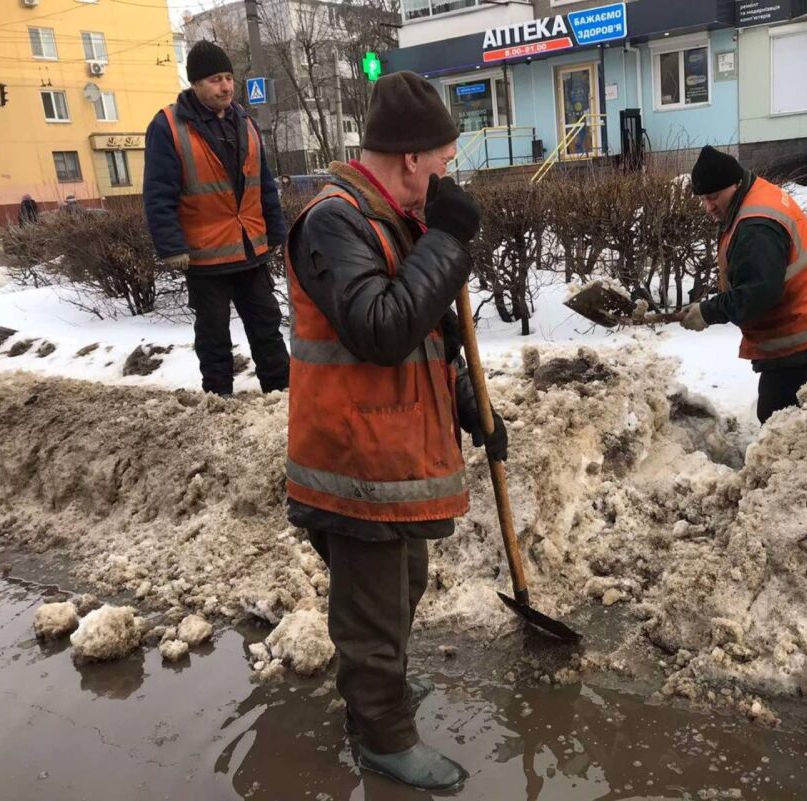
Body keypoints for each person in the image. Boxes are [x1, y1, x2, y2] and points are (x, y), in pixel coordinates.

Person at [284, 71, 506, 792]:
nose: (447, 178)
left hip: (390, 453)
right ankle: (381, 733)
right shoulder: (334, 220)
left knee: (401, 585)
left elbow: (434, 335)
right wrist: (444, 239)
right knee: (373, 609)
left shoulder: (393, 219)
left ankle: (375, 703)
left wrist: (476, 408)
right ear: (410, 157)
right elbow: (380, 327)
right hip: (351, 461)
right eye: (442, 162)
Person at [142, 40, 289, 397]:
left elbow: (263, 184)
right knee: (213, 334)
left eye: (228, 78)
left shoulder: (246, 123)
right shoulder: (168, 126)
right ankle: (218, 400)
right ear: (194, 83)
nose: (225, 86)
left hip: (250, 249)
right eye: (214, 80)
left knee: (266, 326)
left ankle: (281, 395)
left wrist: (277, 232)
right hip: (205, 255)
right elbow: (158, 192)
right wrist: (172, 246)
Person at [679, 146, 807, 423]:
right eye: (702, 199)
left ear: (734, 185)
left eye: (713, 197)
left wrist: (708, 312)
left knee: (776, 419)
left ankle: (795, 465)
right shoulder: (755, 194)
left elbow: (758, 294)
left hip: (803, 335)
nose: (707, 207)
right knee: (788, 415)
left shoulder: (755, 226)